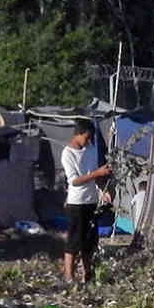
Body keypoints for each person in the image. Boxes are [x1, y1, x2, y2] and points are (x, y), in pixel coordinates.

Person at [60, 120, 112, 286]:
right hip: (77, 203)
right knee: (74, 240)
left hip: (91, 201)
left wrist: (103, 190)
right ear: (78, 134)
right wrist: (97, 173)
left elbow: (95, 176)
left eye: (91, 138)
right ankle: (69, 277)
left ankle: (87, 274)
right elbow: (74, 181)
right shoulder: (68, 154)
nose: (88, 141)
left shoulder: (90, 149)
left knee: (89, 241)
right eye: (87, 137)